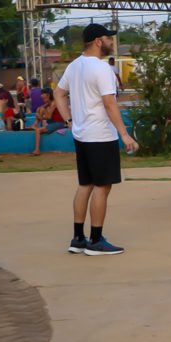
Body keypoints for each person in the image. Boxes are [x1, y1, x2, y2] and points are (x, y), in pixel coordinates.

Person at [54, 23, 138, 256]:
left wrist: (70, 121)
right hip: (100, 135)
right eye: (109, 38)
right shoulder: (101, 69)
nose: (112, 42)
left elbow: (58, 94)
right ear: (98, 41)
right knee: (102, 187)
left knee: (85, 185)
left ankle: (78, 238)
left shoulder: (74, 66)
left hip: (82, 135)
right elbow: (110, 104)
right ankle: (96, 240)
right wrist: (124, 134)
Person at [32, 88, 67, 156]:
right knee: (41, 109)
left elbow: (48, 117)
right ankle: (34, 125)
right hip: (52, 122)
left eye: (45, 98)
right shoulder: (49, 103)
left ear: (48, 95)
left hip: (59, 123)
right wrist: (39, 110)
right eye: (43, 99)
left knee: (38, 130)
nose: (44, 100)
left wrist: (41, 117)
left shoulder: (54, 103)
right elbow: (40, 108)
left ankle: (37, 150)